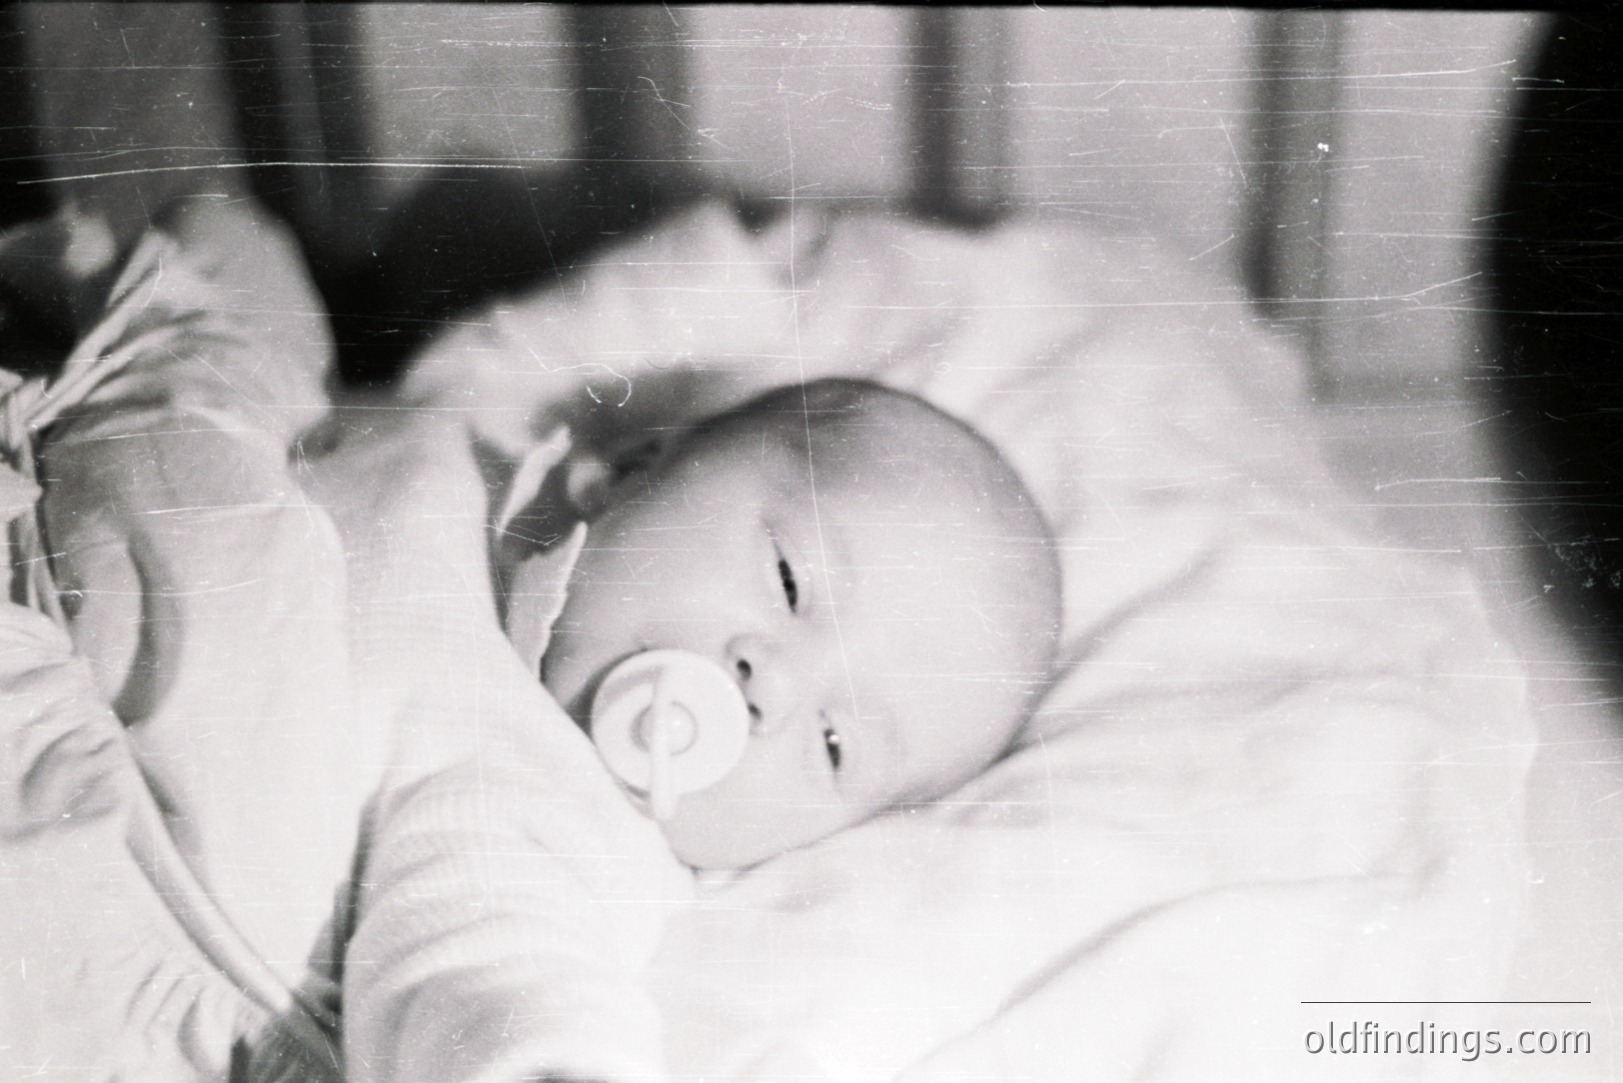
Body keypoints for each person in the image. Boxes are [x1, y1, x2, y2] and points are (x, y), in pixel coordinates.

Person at [519, 377, 1062, 870]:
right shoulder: (448, 508)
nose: (772, 688)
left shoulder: (596, 896)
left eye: (833, 744)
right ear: (633, 466)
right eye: (788, 579)